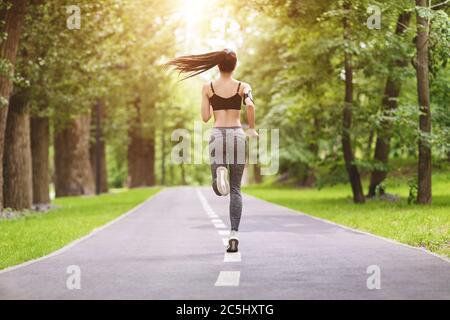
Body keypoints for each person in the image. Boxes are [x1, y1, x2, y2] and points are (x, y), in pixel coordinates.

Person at [165, 49, 257, 253]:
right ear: (235, 66)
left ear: (217, 65)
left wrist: (208, 100)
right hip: (237, 134)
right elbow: (250, 106)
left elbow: (205, 118)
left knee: (218, 187)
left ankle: (218, 177)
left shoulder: (208, 87)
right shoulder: (243, 87)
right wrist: (251, 128)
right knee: (235, 189)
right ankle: (233, 234)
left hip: (217, 135)